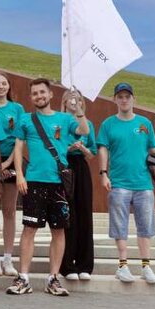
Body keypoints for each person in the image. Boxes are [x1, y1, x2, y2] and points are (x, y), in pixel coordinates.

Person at [6, 78, 74, 297]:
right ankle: (24, 278)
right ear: (31, 97)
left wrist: (78, 109)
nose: (39, 96)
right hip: (34, 181)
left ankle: (53, 278)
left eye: (42, 92)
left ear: (51, 94)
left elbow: (83, 130)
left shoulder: (65, 119)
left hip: (58, 183)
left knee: (59, 231)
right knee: (29, 229)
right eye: (35, 93)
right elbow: (18, 148)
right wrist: (19, 175)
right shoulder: (26, 119)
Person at [97, 82, 155, 285]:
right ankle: (122, 265)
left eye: (127, 96)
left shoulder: (145, 123)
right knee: (119, 225)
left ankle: (146, 266)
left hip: (143, 183)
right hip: (119, 183)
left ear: (134, 99)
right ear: (114, 99)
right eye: (120, 97)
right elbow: (102, 149)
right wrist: (103, 174)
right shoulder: (108, 124)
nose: (124, 100)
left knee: (146, 226)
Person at [0, 73, 23, 278]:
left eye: (4, 83)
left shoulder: (17, 109)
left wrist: (7, 164)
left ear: (9, 86)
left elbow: (20, 139)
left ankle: (8, 258)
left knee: (9, 211)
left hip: (12, 160)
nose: (1, 86)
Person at [60, 91, 97, 281]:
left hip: (81, 167)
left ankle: (85, 264)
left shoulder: (87, 124)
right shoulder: (60, 122)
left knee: (84, 214)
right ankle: (67, 265)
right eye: (71, 99)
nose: (75, 102)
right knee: (68, 214)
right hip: (65, 167)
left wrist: (83, 149)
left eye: (78, 99)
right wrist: (69, 148)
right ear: (65, 102)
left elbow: (92, 154)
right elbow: (56, 147)